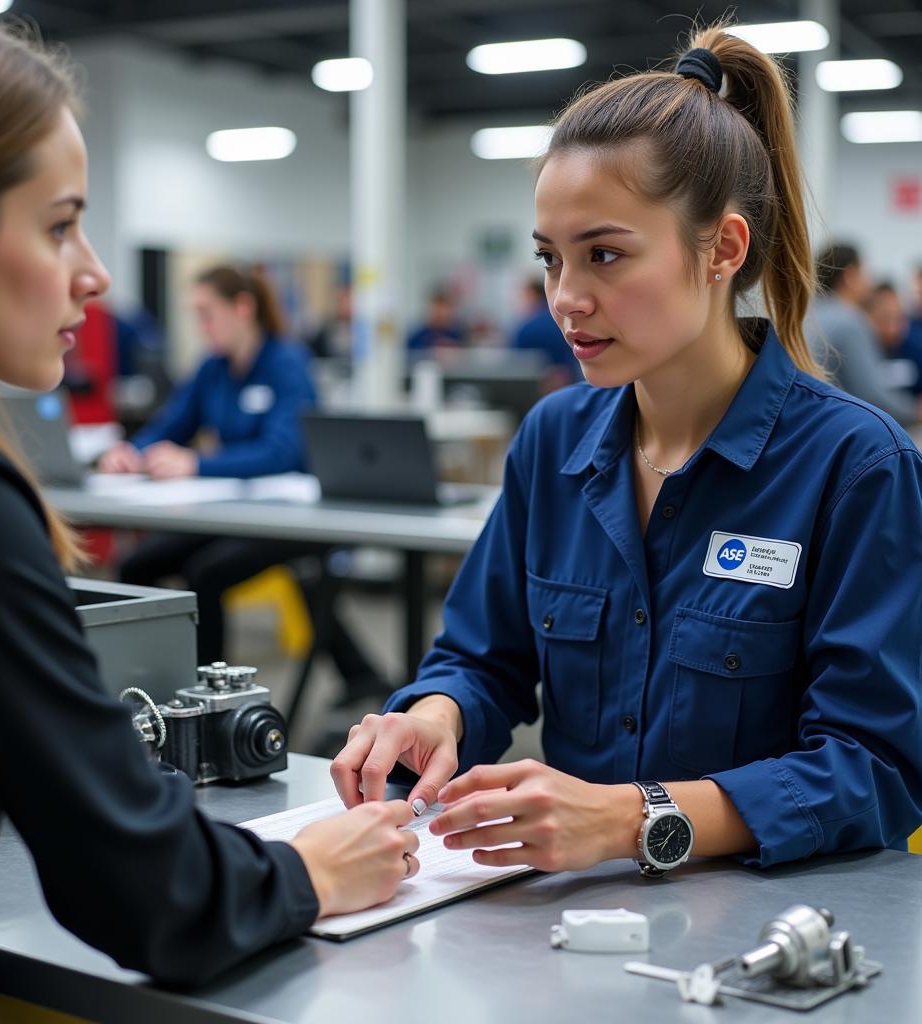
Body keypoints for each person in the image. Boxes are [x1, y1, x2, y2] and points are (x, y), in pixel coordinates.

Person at [0, 20, 419, 1022]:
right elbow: (141, 892)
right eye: (58, 226)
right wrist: (303, 871)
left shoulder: (275, 366)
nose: (91, 274)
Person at [331, 26, 922, 876]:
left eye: (605, 255)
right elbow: (480, 657)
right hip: (574, 924)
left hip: (773, 938)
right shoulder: (553, 442)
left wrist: (634, 818)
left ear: (721, 250)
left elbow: (876, 768)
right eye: (551, 259)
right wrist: (438, 713)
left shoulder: (854, 467)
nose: (567, 299)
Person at [99, 268, 388, 704]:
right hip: (230, 511)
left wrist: (196, 462)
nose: (202, 326)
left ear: (243, 308)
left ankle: (209, 702)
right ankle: (137, 687)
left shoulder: (286, 363)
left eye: (207, 313)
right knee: (138, 565)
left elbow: (283, 452)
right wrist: (130, 451)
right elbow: (169, 426)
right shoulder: (212, 369)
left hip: (290, 518)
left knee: (206, 574)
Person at [806, 243, 920, 425]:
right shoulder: (849, 320)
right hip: (829, 423)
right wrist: (914, 410)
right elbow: (871, 395)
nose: (869, 281)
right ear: (851, 276)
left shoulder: (806, 313)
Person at [511, 278, 582, 390]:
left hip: (533, 389)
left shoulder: (526, 328)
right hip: (571, 383)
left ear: (532, 295)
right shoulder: (566, 323)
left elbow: (516, 366)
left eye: (523, 295)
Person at [865, 282, 922, 395]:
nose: (892, 329)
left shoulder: (915, 349)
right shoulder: (860, 350)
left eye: (898, 319)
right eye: (884, 319)